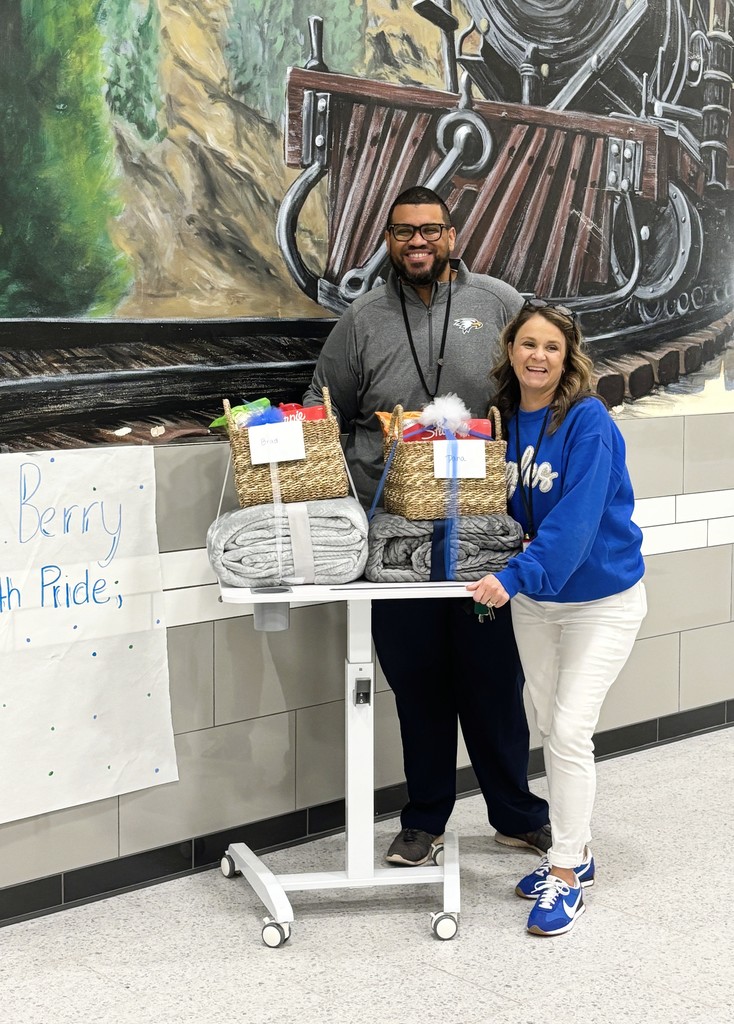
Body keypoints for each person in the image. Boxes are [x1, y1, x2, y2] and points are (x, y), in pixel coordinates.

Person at [304, 185, 550, 867]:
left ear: (451, 235)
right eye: (404, 231)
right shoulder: (361, 320)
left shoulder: (497, 304)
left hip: (482, 540)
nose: (418, 242)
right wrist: (338, 508)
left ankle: (517, 815)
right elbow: (321, 411)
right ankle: (424, 820)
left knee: (494, 684)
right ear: (388, 239)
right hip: (394, 545)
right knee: (418, 684)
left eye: (430, 230)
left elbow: (535, 394)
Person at [467, 299, 646, 936]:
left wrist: (514, 576)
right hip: (538, 604)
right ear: (510, 350)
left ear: (568, 358)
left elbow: (575, 522)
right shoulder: (504, 417)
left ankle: (566, 871)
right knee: (550, 724)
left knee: (569, 731)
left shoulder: (588, 420)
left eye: (551, 347)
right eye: (528, 344)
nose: (538, 356)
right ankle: (578, 848)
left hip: (601, 600)